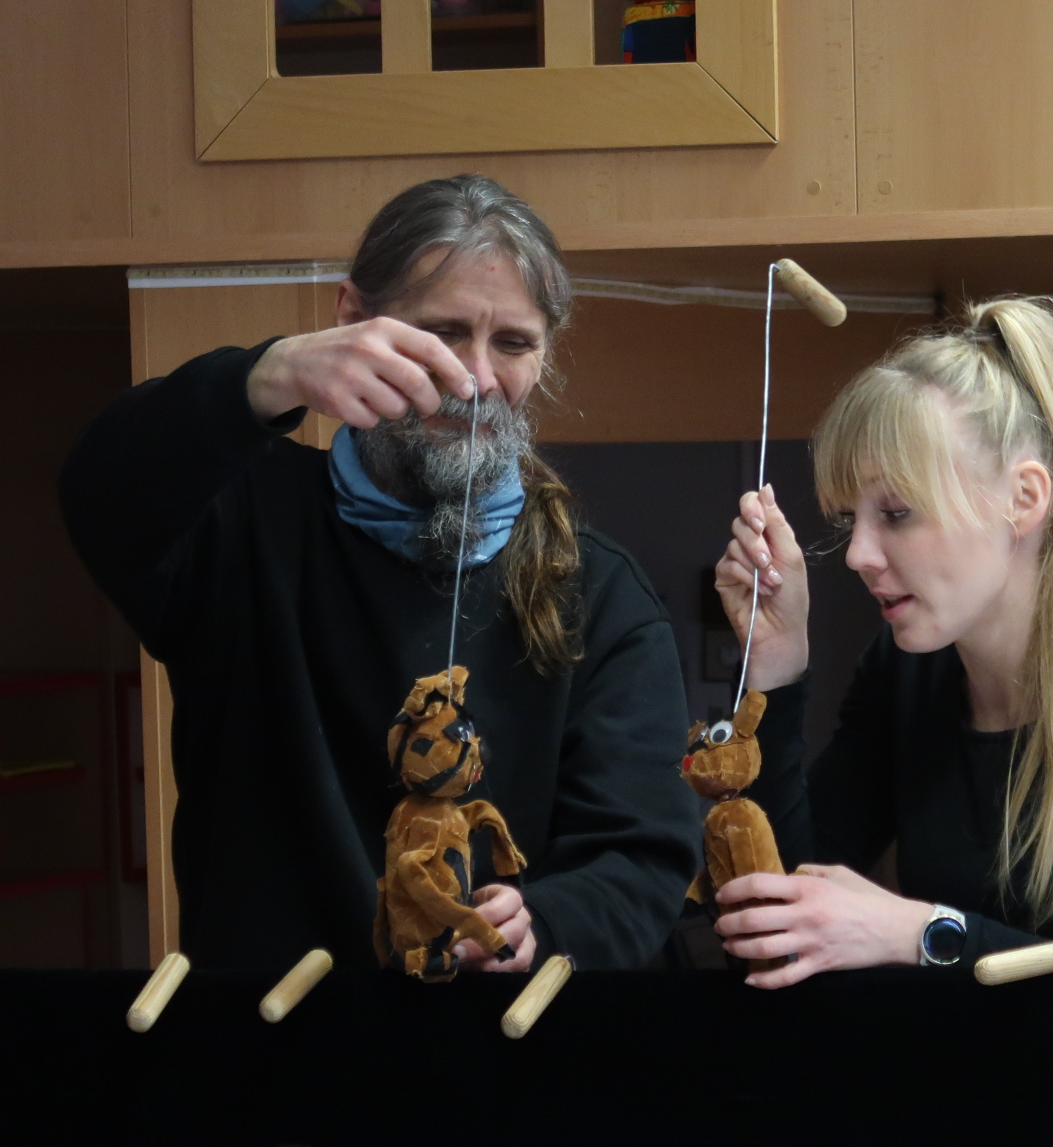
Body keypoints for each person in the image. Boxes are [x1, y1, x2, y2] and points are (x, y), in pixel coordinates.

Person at [63, 176, 699, 973]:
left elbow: (642, 857)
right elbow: (98, 490)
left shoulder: (600, 593)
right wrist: (266, 374)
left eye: (513, 343)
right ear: (351, 319)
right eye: (442, 333)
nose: (475, 380)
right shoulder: (237, 523)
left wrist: (547, 923)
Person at [709, 296, 1053, 987]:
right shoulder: (903, 671)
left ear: (1024, 499)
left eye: (897, 513)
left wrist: (927, 935)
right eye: (853, 519)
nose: (857, 555)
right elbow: (781, 923)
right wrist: (775, 666)